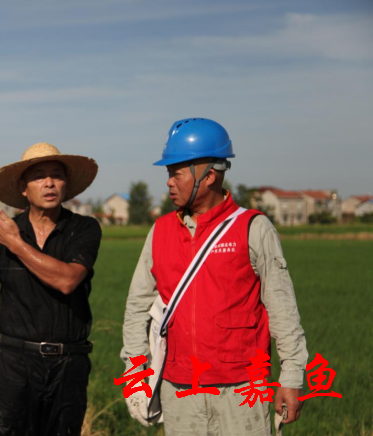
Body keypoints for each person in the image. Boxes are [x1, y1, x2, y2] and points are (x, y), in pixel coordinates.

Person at [120, 118, 308, 435]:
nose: (168, 182)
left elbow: (282, 309)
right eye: (168, 173)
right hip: (179, 389)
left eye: (176, 173)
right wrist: (135, 374)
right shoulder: (160, 232)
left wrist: (291, 377)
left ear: (209, 176)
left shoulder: (253, 228)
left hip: (243, 389)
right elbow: (137, 307)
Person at [0, 142, 101, 435]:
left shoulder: (84, 229)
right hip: (13, 364)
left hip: (68, 364)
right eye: (39, 176)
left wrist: (17, 245)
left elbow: (67, 280)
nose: (49, 183)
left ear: (66, 184)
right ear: (23, 188)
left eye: (56, 175)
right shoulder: (1, 235)